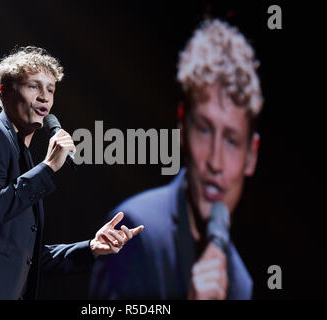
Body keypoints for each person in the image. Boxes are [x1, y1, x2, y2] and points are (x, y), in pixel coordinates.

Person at [0, 46, 143, 300]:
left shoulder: (23, 160)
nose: (44, 97)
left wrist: (92, 248)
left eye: (50, 89)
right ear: (4, 92)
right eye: (33, 86)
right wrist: (48, 166)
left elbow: (27, 257)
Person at [89, 19, 263, 300]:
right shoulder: (134, 234)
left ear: (251, 156)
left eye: (231, 141)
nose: (215, 162)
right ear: (183, 128)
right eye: (204, 130)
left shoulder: (240, 282)